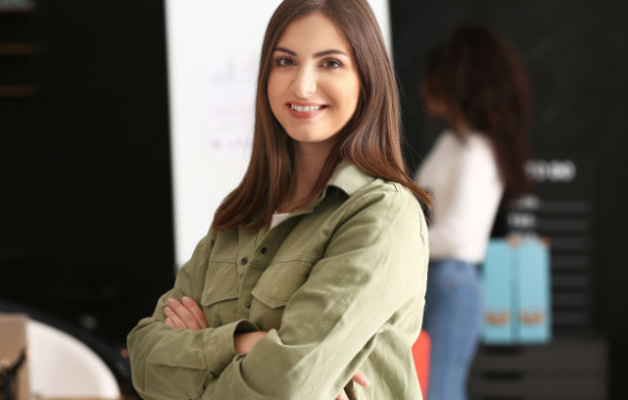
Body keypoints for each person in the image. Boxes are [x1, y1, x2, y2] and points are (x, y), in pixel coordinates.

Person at [127, 1, 432, 399]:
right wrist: (244, 344)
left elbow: (286, 385)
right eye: (286, 61)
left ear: (367, 79)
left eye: (331, 63)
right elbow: (144, 358)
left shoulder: (383, 214)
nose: (302, 85)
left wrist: (200, 350)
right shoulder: (240, 215)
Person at [415, 24, 532, 400]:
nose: (423, 87)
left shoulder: (477, 151)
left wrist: (393, 244)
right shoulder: (453, 141)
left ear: (454, 81)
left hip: (452, 283)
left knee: (441, 393)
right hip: (435, 281)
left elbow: (458, 235)